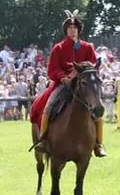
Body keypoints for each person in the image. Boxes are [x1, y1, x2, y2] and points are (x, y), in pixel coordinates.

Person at [31, 10, 107, 157]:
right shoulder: (58, 48)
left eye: (75, 28)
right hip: (62, 85)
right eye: (69, 28)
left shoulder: (87, 47)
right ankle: (43, 140)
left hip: (83, 84)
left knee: (97, 109)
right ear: (66, 30)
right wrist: (64, 77)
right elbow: (52, 70)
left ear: (78, 30)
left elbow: (92, 66)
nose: (72, 30)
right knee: (46, 106)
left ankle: (98, 144)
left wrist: (79, 74)